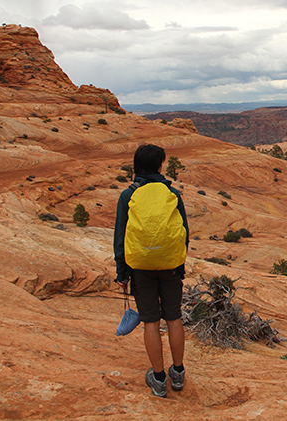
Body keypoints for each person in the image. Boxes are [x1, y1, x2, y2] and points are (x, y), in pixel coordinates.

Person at [114, 144, 189, 398]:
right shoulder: (173, 194)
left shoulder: (128, 195)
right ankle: (177, 374)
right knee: (174, 317)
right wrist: (180, 264)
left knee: (150, 321)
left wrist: (121, 272)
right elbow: (183, 234)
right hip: (170, 265)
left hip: (140, 268)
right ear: (159, 167)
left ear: (136, 167)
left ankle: (158, 379)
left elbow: (120, 235)